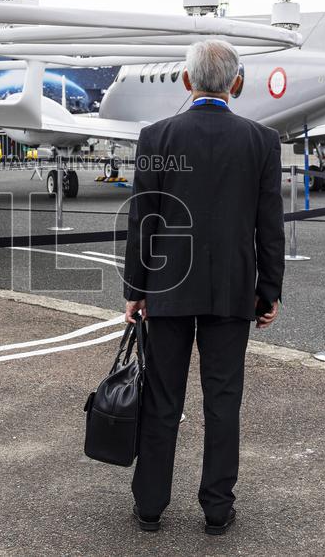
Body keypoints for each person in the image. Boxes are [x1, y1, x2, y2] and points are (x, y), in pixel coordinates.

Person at [122, 39, 285, 535]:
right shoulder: (261, 141)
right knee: (223, 401)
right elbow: (269, 224)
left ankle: (150, 504)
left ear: (186, 81)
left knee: (162, 399)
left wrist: (136, 288)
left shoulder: (157, 137)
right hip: (233, 290)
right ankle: (217, 508)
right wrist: (269, 289)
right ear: (236, 83)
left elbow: (142, 218)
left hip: (168, 288)